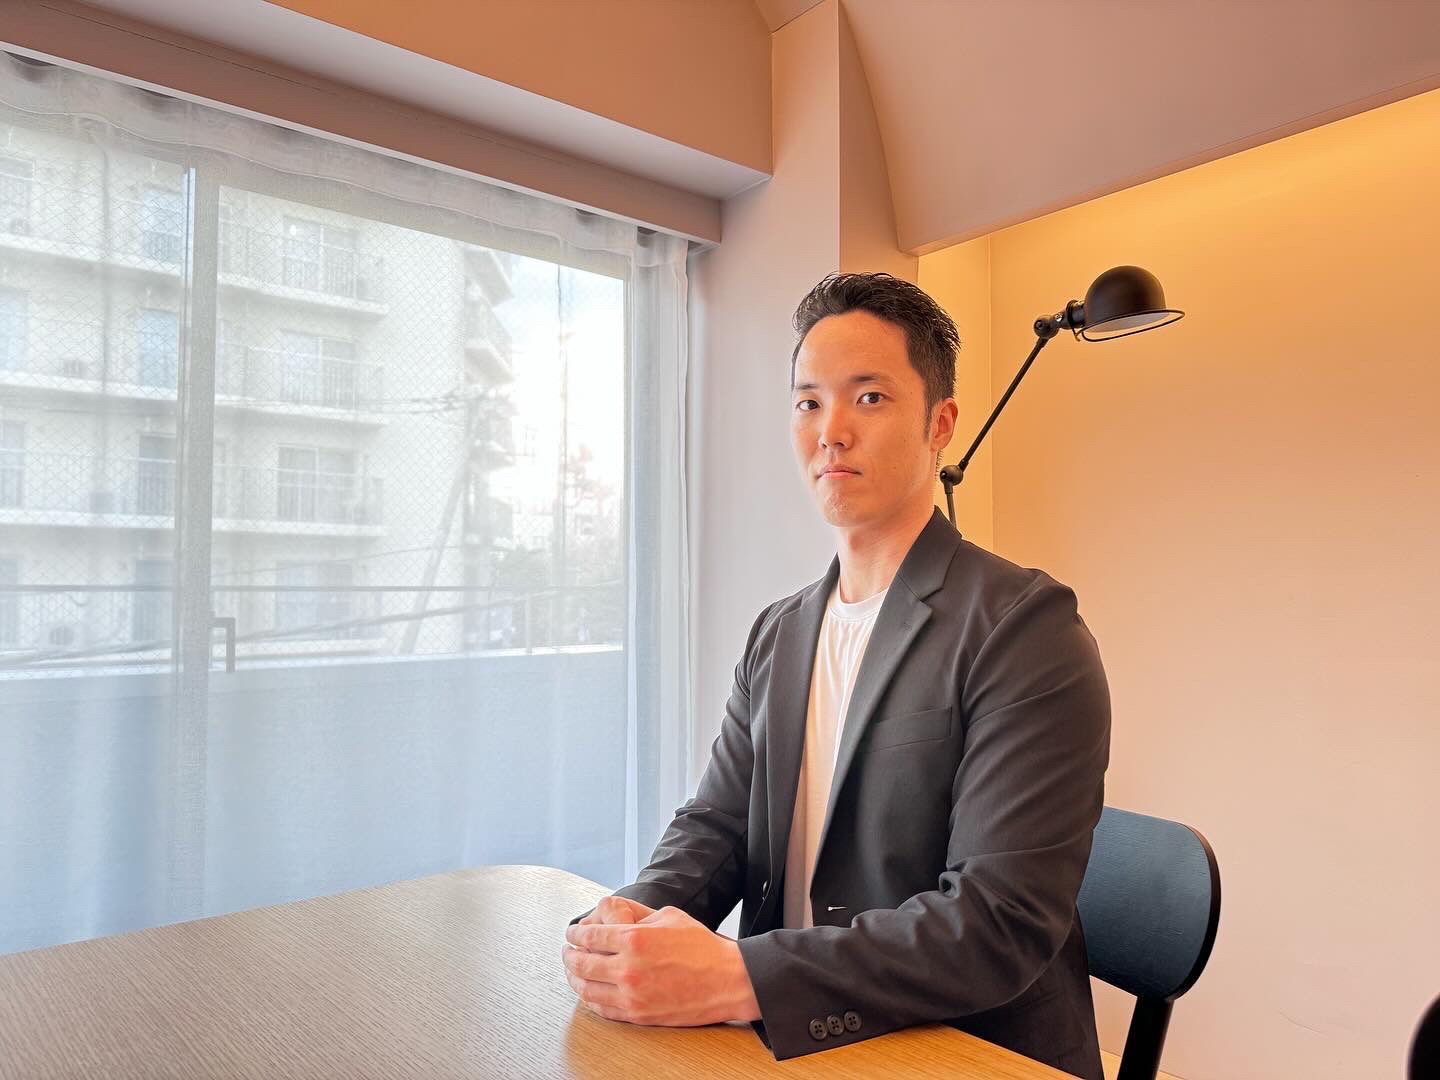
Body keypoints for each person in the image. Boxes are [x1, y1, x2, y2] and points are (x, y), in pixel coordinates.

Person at [561, 272, 1111, 1079]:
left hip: (958, 1052)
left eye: (870, 398)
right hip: (790, 1046)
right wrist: (630, 920)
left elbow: (996, 924)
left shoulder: (1024, 628)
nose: (831, 432)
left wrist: (741, 976)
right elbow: (717, 827)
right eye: (808, 402)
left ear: (941, 424)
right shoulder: (779, 632)